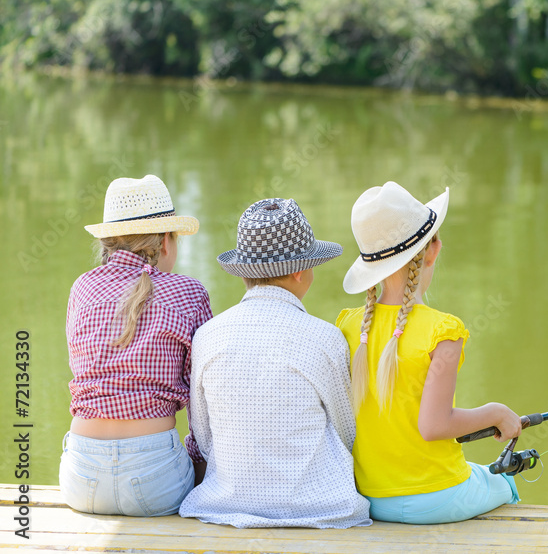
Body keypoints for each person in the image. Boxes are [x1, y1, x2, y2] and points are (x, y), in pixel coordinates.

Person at [337, 181, 522, 524]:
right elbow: (434, 425)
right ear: (433, 249)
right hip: (437, 498)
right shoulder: (443, 331)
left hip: (370, 497)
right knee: (506, 481)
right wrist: (497, 413)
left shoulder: (349, 327)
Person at [179, 198, 370, 529]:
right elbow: (347, 432)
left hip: (224, 507)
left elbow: (204, 437)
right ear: (300, 270)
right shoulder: (325, 338)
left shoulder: (207, 336)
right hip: (318, 511)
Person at [60, 174, 212, 516]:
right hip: (156, 479)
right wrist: (198, 462)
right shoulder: (189, 292)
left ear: (108, 243)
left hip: (81, 479)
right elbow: (202, 398)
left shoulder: (82, 288)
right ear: (165, 243)